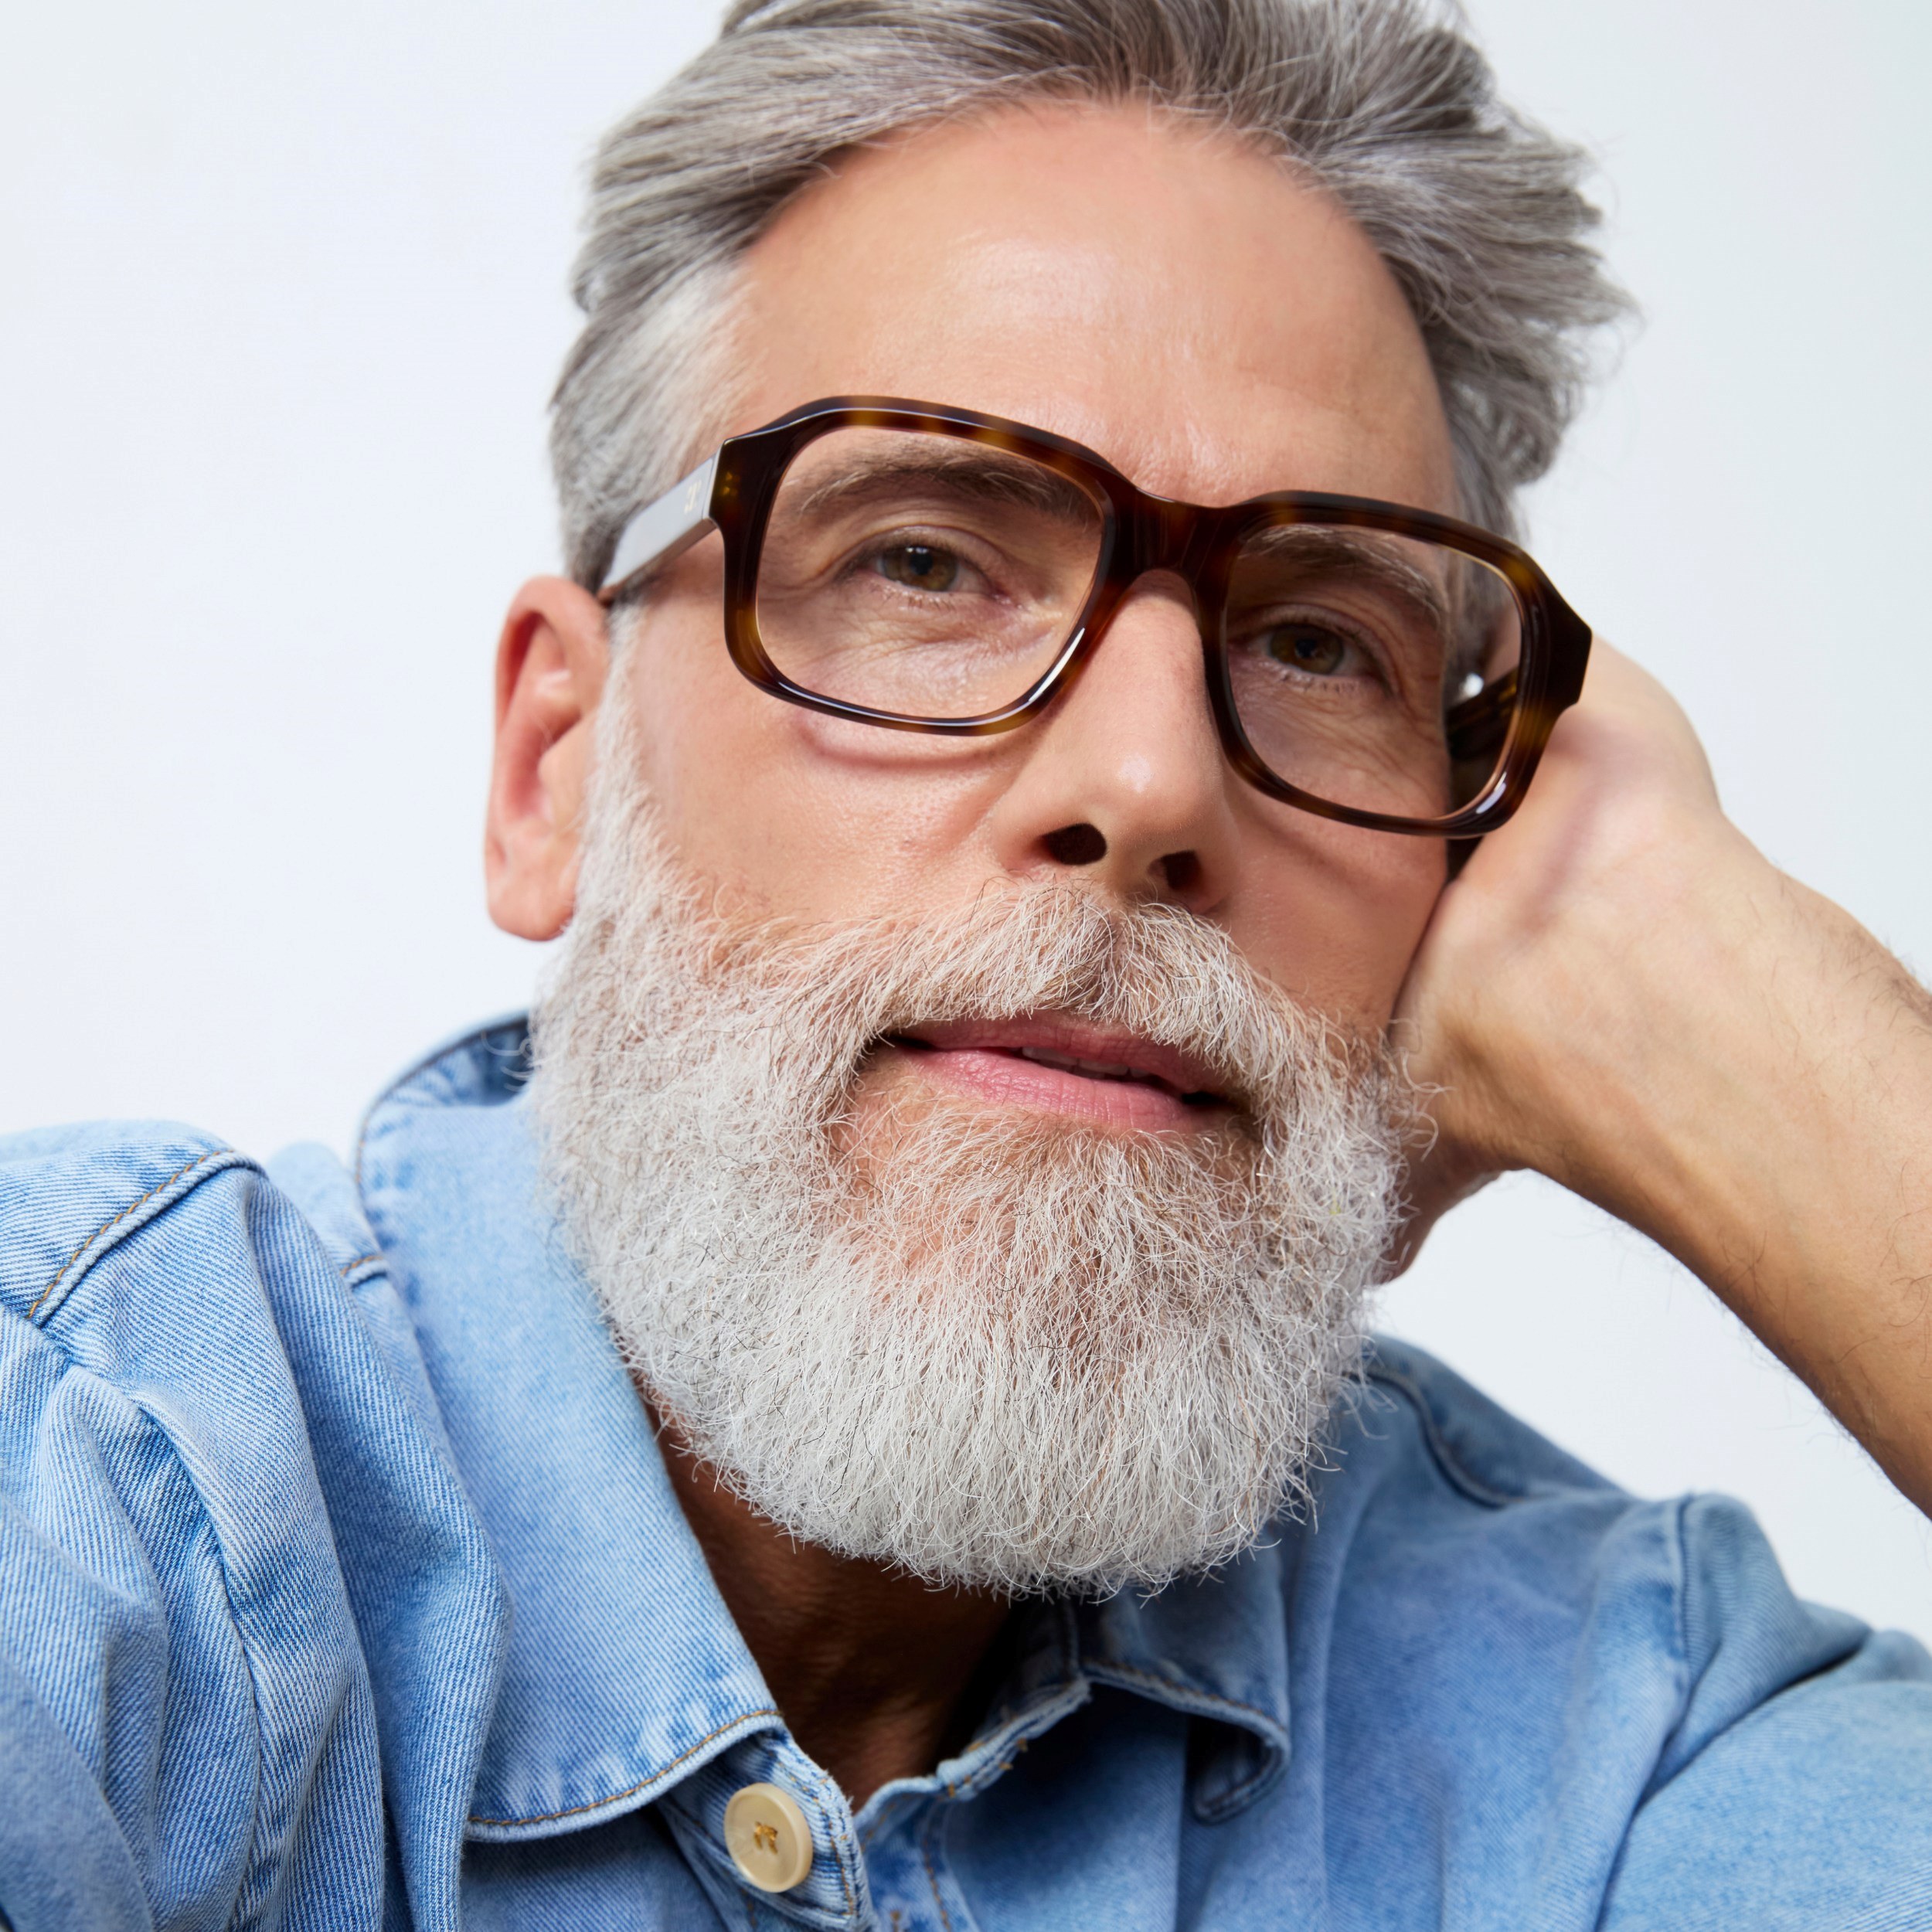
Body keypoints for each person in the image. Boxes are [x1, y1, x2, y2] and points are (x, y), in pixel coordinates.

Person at [2, 0, 1928, 1924]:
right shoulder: (97, 1495)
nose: (1152, 777)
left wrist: (1721, 1008)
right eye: (922, 560)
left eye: (1321, 642)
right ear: (552, 766)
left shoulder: (1610, 1732)